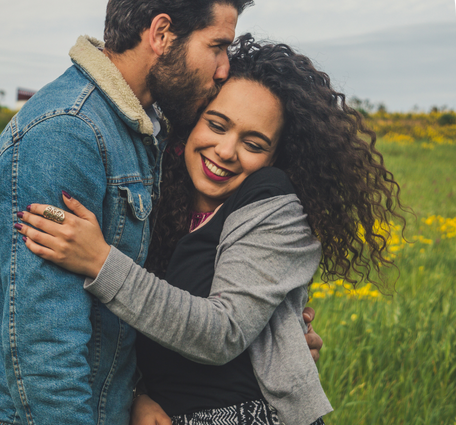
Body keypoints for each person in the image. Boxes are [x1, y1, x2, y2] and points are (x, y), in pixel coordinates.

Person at [16, 36, 405, 425]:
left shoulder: (275, 205)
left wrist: (100, 261)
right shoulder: (156, 195)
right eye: (217, 125)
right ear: (191, 121)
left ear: (276, 157)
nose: (225, 150)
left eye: (253, 143)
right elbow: (131, 324)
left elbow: (222, 332)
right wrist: (139, 393)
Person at [0, 0, 256, 425]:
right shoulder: (68, 134)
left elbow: (114, 312)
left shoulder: (141, 126)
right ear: (162, 33)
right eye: (217, 46)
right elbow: (41, 354)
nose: (224, 69)